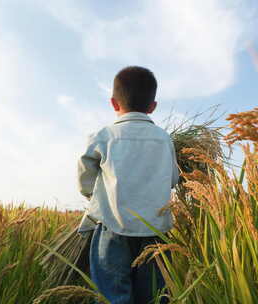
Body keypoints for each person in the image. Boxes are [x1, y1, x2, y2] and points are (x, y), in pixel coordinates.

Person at [77, 66, 179, 304]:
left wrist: (94, 194)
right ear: (153, 106)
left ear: (114, 103)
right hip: (156, 232)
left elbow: (85, 174)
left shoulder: (104, 136)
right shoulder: (164, 139)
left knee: (113, 295)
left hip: (113, 226)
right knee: (154, 295)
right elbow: (173, 178)